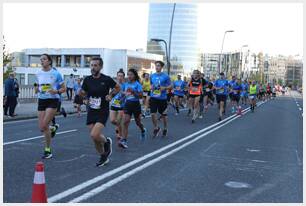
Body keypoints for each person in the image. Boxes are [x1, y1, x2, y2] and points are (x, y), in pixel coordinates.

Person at [78, 57, 120, 167]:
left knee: (94, 134)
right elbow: (83, 92)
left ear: (100, 67)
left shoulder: (106, 79)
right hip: (91, 110)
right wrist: (83, 97)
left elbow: (117, 87)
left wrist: (111, 95)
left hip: (103, 110)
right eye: (91, 65)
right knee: (94, 138)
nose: (93, 67)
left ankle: (106, 142)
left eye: (95, 65)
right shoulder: (87, 80)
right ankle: (103, 156)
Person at [34, 54, 66, 159]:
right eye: (41, 59)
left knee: (44, 125)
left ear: (49, 61)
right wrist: (37, 89)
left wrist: (55, 91)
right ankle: (52, 128)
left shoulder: (56, 74)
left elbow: (64, 88)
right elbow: (37, 86)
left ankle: (47, 150)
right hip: (42, 100)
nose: (42, 61)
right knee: (42, 127)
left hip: (52, 100)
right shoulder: (38, 73)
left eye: (44, 59)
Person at [120, 68, 147, 148]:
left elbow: (140, 96)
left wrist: (133, 91)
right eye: (128, 74)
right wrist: (122, 96)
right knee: (125, 122)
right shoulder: (125, 84)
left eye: (131, 74)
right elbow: (123, 93)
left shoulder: (137, 84)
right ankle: (124, 140)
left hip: (135, 104)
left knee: (138, 122)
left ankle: (143, 130)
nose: (129, 76)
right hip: (128, 104)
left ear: (135, 76)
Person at [150, 61, 172, 137]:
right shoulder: (152, 76)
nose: (157, 67)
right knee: (153, 114)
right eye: (156, 66)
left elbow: (171, 86)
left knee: (164, 115)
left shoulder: (166, 76)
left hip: (162, 98)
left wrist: (165, 88)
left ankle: (165, 128)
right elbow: (151, 85)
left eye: (158, 66)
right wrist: (151, 87)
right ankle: (156, 128)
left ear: (161, 67)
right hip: (153, 97)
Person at [110, 69, 126, 144]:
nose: (120, 77)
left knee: (119, 121)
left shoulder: (125, 85)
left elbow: (128, 93)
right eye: (118, 76)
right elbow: (111, 94)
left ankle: (120, 134)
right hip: (113, 104)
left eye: (121, 76)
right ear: (117, 76)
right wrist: (109, 96)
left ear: (123, 77)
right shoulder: (114, 84)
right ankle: (119, 131)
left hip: (121, 106)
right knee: (113, 121)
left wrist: (124, 93)